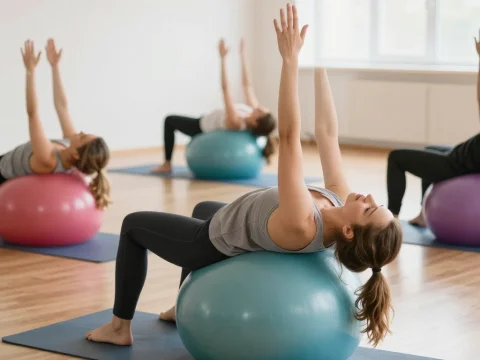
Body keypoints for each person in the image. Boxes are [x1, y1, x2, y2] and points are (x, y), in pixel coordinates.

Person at [86, 3, 402, 348]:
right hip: (232, 223)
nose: (369, 197)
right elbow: (326, 132)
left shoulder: (303, 221)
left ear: (348, 230)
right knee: (205, 206)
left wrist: (290, 62)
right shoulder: (338, 198)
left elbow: (290, 136)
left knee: (133, 225)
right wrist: (320, 61)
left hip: (211, 243)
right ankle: (183, 305)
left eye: (370, 209)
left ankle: (119, 327)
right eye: (378, 202)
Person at [0, 39, 111, 209]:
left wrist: (30, 72)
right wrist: (54, 66)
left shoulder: (48, 159)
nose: (79, 132)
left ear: (75, 154)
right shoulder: (70, 146)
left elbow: (33, 113)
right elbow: (62, 107)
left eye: (82, 136)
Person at [387, 34, 480, 227]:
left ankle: (390, 220)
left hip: (454, 164)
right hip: (459, 155)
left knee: (396, 158)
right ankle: (423, 214)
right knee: (431, 148)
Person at [151, 38, 277, 173]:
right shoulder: (251, 113)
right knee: (172, 120)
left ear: (256, 122)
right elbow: (247, 86)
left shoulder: (236, 122)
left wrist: (222, 59)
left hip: (200, 127)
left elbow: (225, 89)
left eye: (261, 111)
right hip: (206, 119)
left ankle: (167, 164)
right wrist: (242, 55)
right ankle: (167, 163)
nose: (259, 107)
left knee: (169, 120)